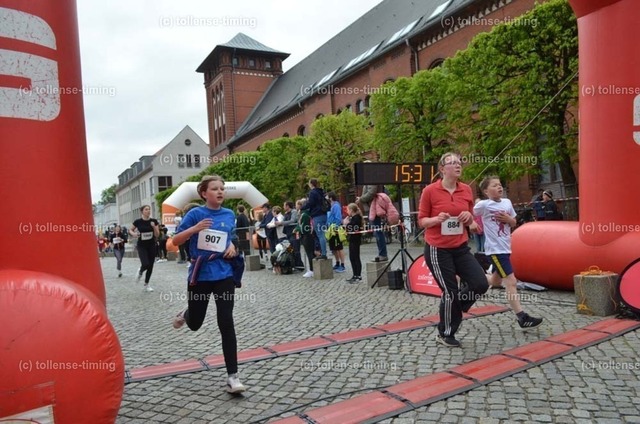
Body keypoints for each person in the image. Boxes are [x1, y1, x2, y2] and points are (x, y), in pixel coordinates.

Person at [171, 175, 246, 394]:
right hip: (200, 275)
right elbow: (175, 240)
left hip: (223, 274)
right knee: (195, 323)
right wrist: (194, 229)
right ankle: (187, 313)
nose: (220, 191)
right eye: (215, 189)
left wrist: (232, 246)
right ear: (204, 193)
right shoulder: (195, 214)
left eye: (222, 188)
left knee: (226, 321)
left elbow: (231, 237)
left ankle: (233, 376)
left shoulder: (229, 214)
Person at [417, 152, 489, 348]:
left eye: (459, 163)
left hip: (460, 247)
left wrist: (469, 219)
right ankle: (445, 333)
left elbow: (470, 219)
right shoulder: (430, 191)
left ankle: (455, 308)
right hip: (438, 249)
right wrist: (436, 219)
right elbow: (422, 221)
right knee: (450, 291)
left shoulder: (466, 189)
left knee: (480, 283)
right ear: (442, 169)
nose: (458, 166)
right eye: (453, 163)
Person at [474, 176, 543, 330]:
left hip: (506, 248)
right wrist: (474, 213)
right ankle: (522, 317)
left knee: (495, 281)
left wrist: (507, 219)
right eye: (494, 185)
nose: (499, 187)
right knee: (511, 281)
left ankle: (470, 277)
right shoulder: (484, 205)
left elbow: (514, 222)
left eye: (500, 184)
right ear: (486, 191)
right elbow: (470, 212)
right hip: (495, 250)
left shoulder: (507, 202)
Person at [130, 205, 159, 292]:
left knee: (151, 265)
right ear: (142, 211)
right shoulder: (138, 221)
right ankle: (140, 271)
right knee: (145, 263)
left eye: (149, 209)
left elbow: (157, 235)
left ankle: (146, 284)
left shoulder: (154, 221)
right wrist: (134, 234)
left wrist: (154, 227)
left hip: (151, 245)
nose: (148, 211)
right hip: (141, 245)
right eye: (146, 209)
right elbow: (130, 230)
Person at [357, 181, 388, 262]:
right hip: (371, 207)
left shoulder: (371, 179)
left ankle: (383, 254)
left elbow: (371, 192)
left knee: (378, 232)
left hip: (373, 207)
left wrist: (361, 199)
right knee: (377, 232)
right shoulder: (370, 179)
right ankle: (382, 254)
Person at [301, 178, 328, 259]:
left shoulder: (313, 192)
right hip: (324, 214)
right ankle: (324, 252)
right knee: (322, 234)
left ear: (311, 184)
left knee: (320, 235)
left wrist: (302, 207)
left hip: (317, 214)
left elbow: (311, 203)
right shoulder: (321, 191)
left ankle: (323, 253)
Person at [295, 198, 315, 278]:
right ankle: (312, 269)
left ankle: (312, 270)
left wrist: (297, 229)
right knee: (309, 253)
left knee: (309, 253)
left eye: (297, 205)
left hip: (307, 235)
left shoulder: (304, 214)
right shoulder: (303, 214)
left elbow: (303, 226)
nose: (296, 207)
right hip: (306, 235)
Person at [326, 191, 346, 273]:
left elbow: (338, 217)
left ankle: (342, 265)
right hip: (330, 229)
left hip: (335, 229)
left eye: (327, 197)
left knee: (339, 247)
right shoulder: (331, 206)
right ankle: (337, 262)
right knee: (333, 248)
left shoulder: (336, 206)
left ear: (331, 198)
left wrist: (336, 227)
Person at [344, 203, 363, 283]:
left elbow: (352, 227)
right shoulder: (353, 218)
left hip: (355, 240)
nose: (347, 211)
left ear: (351, 210)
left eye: (348, 210)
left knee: (356, 257)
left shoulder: (357, 218)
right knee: (352, 258)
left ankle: (358, 275)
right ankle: (354, 275)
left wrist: (346, 224)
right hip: (352, 240)